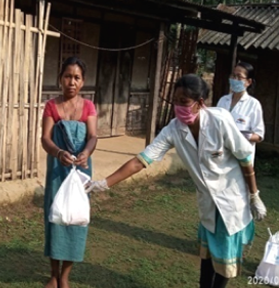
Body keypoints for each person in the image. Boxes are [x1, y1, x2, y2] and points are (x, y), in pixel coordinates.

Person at [85, 74, 267, 288]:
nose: (178, 107)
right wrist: (104, 183)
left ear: (199, 104)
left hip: (232, 199)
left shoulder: (220, 120)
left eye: (184, 102)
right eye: (175, 101)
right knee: (207, 255)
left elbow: (245, 157)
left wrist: (254, 195)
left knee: (224, 260)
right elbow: (142, 160)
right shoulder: (173, 129)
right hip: (208, 202)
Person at [41, 57, 98, 288]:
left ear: (82, 82)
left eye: (76, 77)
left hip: (81, 171)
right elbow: (45, 139)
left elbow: (93, 136)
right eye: (67, 76)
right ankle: (54, 275)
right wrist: (58, 153)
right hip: (57, 170)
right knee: (55, 217)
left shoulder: (88, 107)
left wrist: (86, 152)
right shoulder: (51, 106)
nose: (71, 82)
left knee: (76, 217)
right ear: (60, 79)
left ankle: (66, 276)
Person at [217, 62, 264, 162]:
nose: (235, 80)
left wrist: (243, 136)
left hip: (241, 158)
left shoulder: (253, 104)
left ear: (248, 82)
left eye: (239, 77)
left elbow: (259, 136)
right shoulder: (223, 100)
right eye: (233, 76)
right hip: (222, 155)